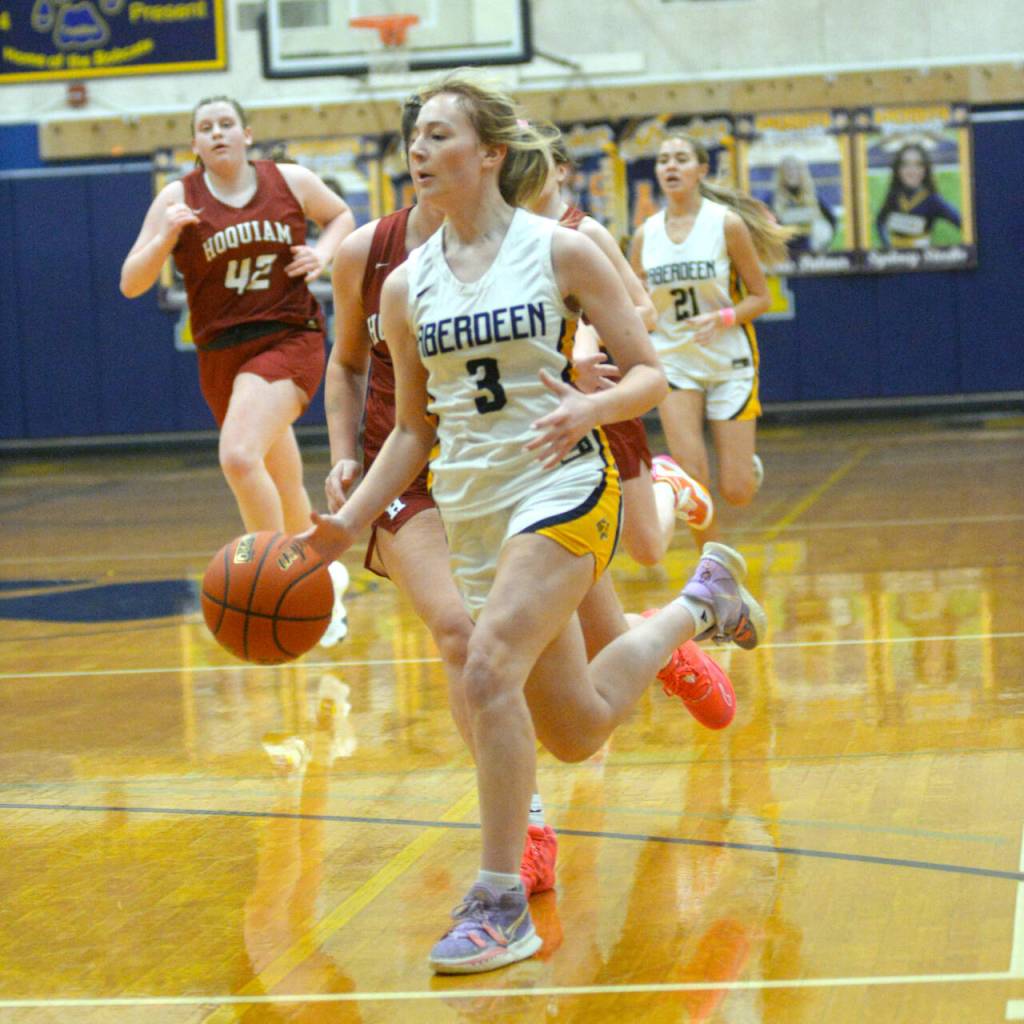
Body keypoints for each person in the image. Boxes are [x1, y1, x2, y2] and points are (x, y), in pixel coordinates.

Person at [302, 71, 766, 975]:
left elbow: (648, 374)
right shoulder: (404, 287)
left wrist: (589, 414)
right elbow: (409, 431)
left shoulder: (562, 250)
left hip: (563, 485)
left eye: (439, 136)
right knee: (579, 726)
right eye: (415, 138)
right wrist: (344, 521)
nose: (419, 151)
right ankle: (700, 605)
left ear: (491, 154)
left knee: (486, 662)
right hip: (473, 505)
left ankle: (499, 900)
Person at [120, 95, 355, 646]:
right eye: (206, 128)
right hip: (221, 352)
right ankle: (324, 578)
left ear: (247, 134)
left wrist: (323, 253)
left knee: (239, 457)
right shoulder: (178, 197)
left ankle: (278, 583)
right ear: (195, 145)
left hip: (288, 337)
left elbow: (341, 215)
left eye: (227, 124)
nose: (218, 133)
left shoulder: (289, 180)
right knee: (283, 478)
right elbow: (131, 281)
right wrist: (163, 239)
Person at [530, 127, 714, 567]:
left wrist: (589, 335)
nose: (519, 170)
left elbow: (644, 311)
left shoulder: (584, 232)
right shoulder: (502, 234)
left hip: (601, 394)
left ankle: (670, 484)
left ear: (559, 170)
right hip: (540, 399)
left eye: (531, 159)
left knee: (647, 550)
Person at [629, 133, 794, 547]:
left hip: (727, 359)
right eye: (663, 160)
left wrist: (722, 317)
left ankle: (746, 467)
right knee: (692, 477)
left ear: (700, 169)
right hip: (674, 360)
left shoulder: (725, 224)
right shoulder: (644, 235)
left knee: (736, 491)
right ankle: (712, 572)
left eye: (681, 159)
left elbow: (762, 297)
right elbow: (634, 302)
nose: (670, 166)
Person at [875, 142, 961, 249]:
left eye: (918, 164)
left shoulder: (932, 200)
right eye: (905, 164)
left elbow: (964, 222)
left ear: (925, 169)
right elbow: (880, 221)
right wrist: (887, 246)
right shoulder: (895, 196)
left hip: (922, 260)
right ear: (898, 169)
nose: (912, 170)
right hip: (896, 260)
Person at [770, 154, 837, 257]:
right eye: (787, 169)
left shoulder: (814, 197)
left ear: (802, 172)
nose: (791, 173)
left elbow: (832, 220)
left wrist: (823, 246)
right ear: (781, 173)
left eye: (795, 169)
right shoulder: (772, 199)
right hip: (783, 256)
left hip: (808, 254)